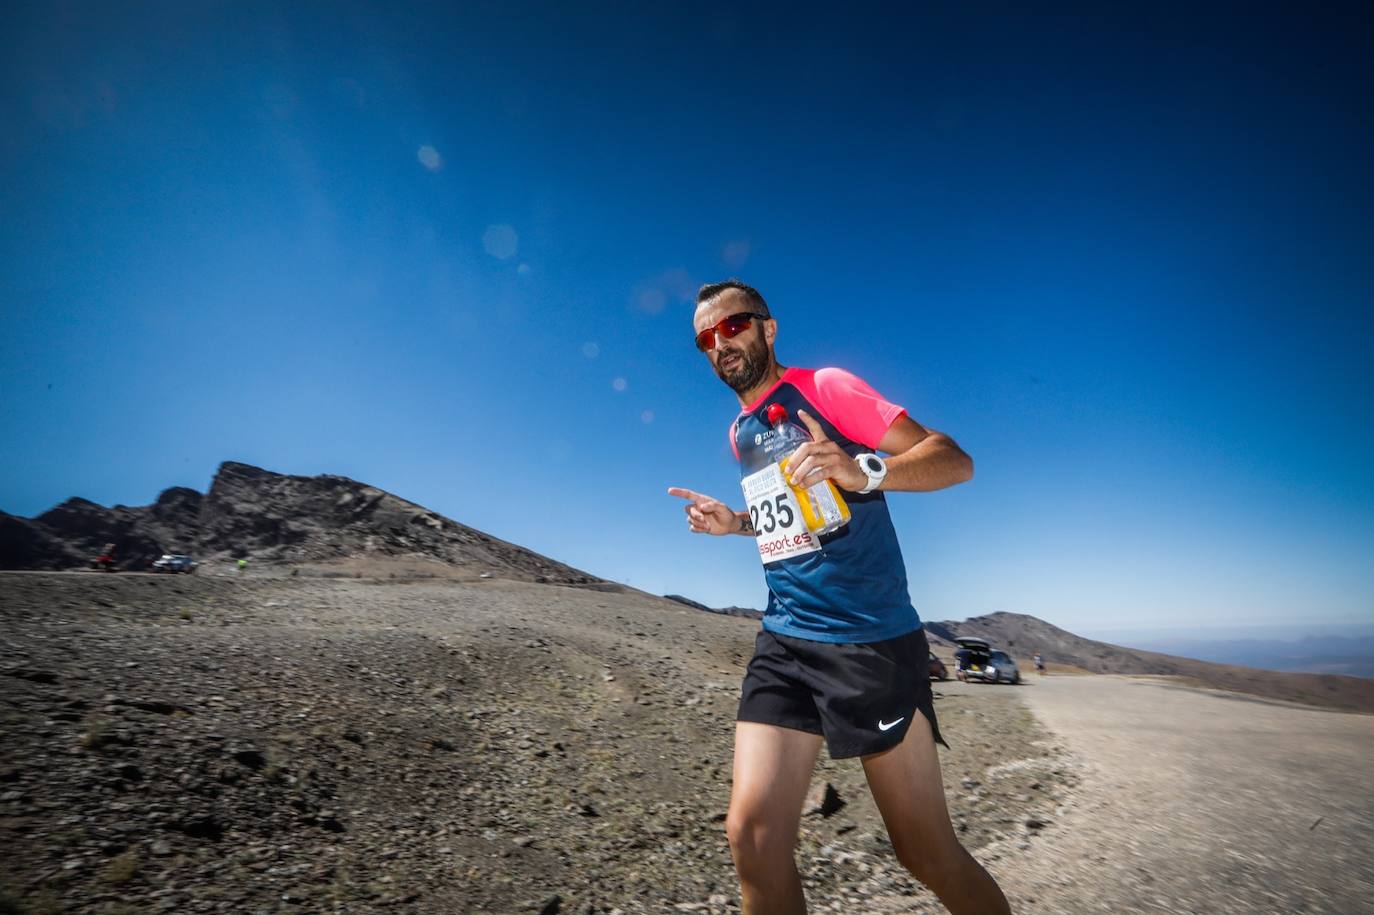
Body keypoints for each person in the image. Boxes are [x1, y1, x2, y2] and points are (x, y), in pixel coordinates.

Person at [669, 281, 1010, 915]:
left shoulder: (823, 388)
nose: (721, 345)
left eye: (733, 326)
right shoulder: (742, 429)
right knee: (753, 836)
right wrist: (736, 524)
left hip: (868, 643)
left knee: (924, 852)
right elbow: (799, 514)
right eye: (705, 339)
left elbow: (953, 459)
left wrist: (865, 469)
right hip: (784, 639)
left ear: (767, 330)